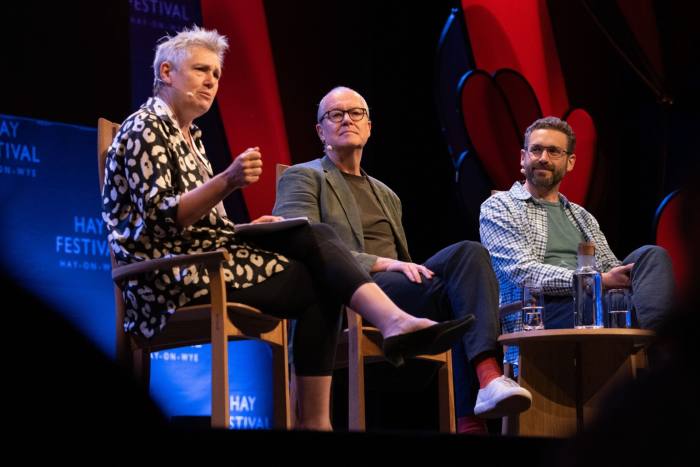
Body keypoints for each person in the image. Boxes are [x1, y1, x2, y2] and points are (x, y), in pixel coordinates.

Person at [101, 27, 474, 432]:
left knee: (318, 265)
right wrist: (227, 180)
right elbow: (161, 218)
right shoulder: (145, 127)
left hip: (203, 258)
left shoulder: (191, 136)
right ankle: (390, 328)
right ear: (168, 72)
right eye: (202, 70)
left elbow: (201, 221)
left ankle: (316, 419)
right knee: (320, 263)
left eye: (217, 74)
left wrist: (245, 227)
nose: (212, 81)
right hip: (167, 276)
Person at [273, 86, 532, 434]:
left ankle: (486, 384)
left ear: (369, 126)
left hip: (398, 290)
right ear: (321, 131)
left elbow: (406, 263)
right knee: (460, 288)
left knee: (469, 254)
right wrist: (382, 264)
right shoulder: (304, 176)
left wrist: (399, 268)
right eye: (336, 114)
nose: (347, 119)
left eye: (356, 113)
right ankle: (473, 414)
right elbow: (299, 243)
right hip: (351, 292)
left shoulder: (387, 194)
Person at [479, 116, 674, 370]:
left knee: (652, 256)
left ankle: (661, 352)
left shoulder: (582, 216)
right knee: (659, 321)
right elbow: (522, 272)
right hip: (542, 312)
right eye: (536, 149)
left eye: (554, 151)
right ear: (522, 158)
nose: (543, 158)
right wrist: (596, 280)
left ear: (570, 162)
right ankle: (664, 362)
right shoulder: (500, 206)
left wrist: (621, 280)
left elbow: (610, 266)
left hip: (596, 306)